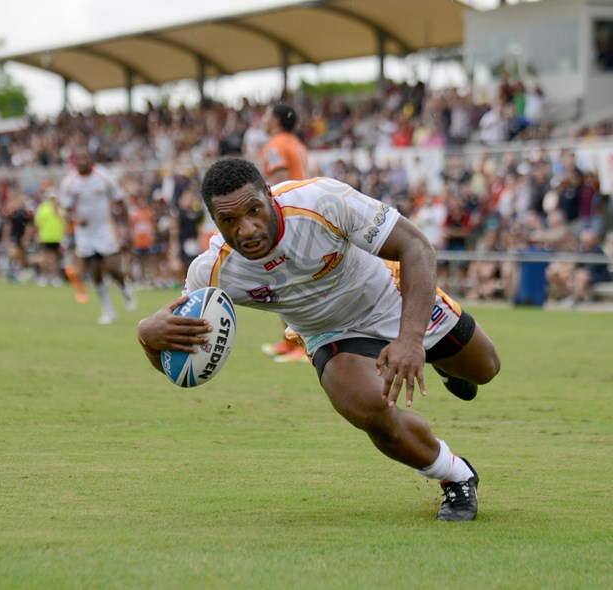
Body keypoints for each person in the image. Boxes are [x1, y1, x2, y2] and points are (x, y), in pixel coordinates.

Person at [136, 158, 501, 521]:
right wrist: (149, 340)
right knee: (366, 408)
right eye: (229, 221)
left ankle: (448, 367)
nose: (246, 229)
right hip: (330, 333)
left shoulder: (322, 201)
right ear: (214, 222)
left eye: (253, 211)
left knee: (486, 368)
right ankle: (455, 475)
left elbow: (417, 247)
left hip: (390, 296)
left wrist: (410, 340)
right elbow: (181, 364)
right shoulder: (211, 271)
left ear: (269, 196)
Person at [258, 102, 312, 363]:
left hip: (289, 218)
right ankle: (289, 341)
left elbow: (279, 183)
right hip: (304, 213)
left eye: (268, 114)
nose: (264, 118)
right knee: (284, 279)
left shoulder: (275, 145)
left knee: (288, 280)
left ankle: (302, 343)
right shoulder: (297, 144)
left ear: (276, 120)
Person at [60, 145, 135, 324]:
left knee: (111, 266)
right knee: (95, 271)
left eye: (86, 157)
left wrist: (125, 227)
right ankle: (108, 311)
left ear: (92, 159)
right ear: (75, 161)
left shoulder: (104, 177)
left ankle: (125, 289)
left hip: (104, 229)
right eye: (80, 158)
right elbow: (66, 211)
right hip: (84, 233)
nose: (84, 161)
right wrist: (76, 221)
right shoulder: (69, 183)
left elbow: (120, 202)